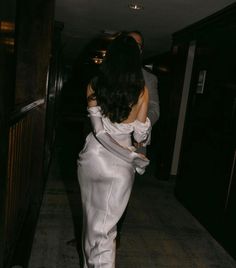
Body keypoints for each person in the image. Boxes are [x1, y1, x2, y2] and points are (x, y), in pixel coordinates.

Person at [77, 34, 152, 268]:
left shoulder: (94, 84)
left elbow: (99, 132)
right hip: (119, 168)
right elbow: (140, 137)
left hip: (92, 159)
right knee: (107, 229)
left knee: (90, 222)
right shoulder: (141, 91)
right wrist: (131, 151)